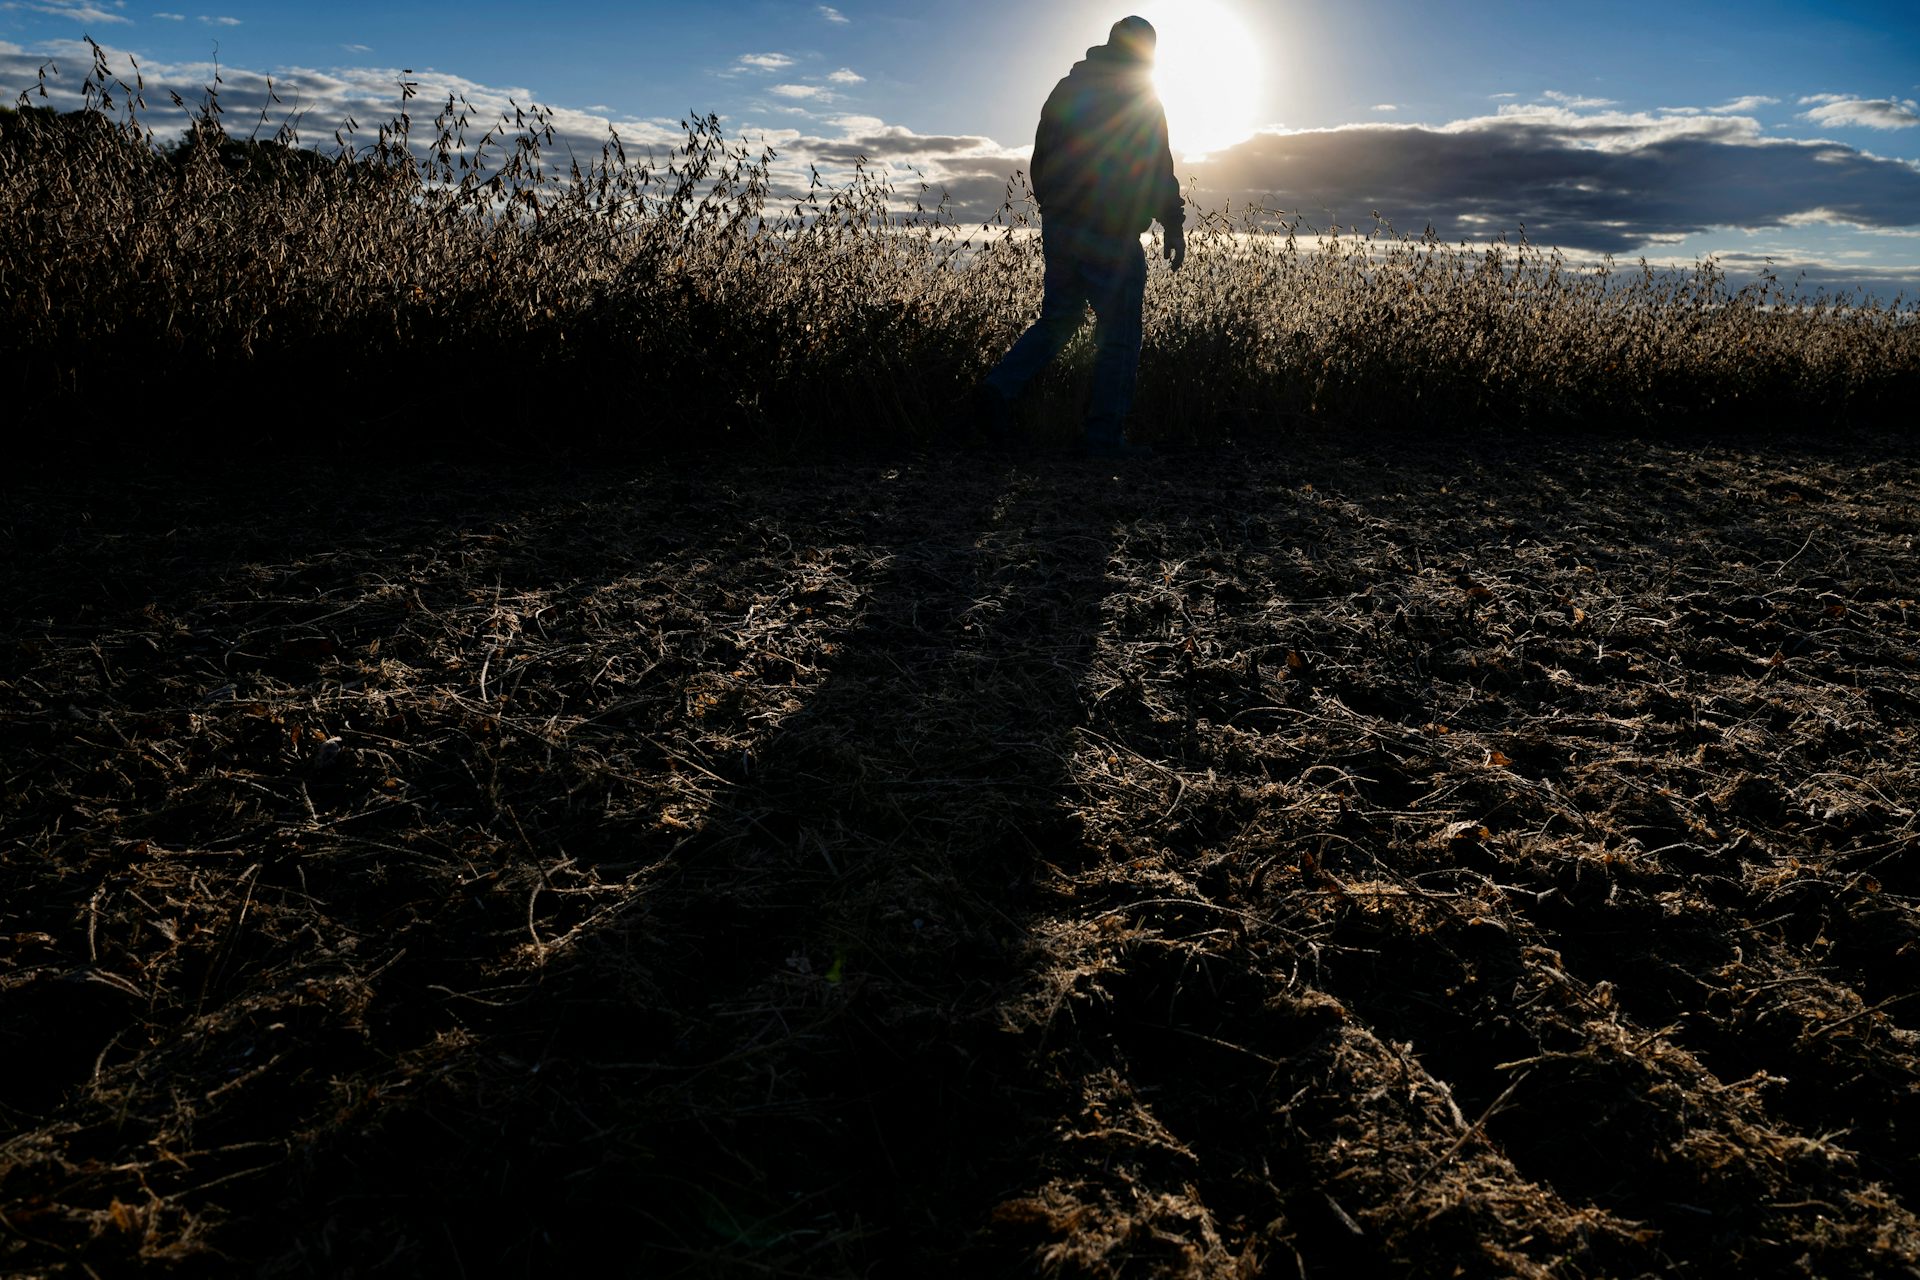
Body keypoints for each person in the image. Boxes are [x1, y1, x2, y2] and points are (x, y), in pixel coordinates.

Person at [977, 15, 1186, 460]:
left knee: (1059, 319)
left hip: (1062, 224)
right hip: (1108, 229)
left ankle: (997, 390)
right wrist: (1173, 223)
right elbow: (1156, 166)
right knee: (1119, 333)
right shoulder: (1138, 94)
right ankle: (1103, 439)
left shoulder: (1066, 89)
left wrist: (1054, 208)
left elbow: (1042, 158)